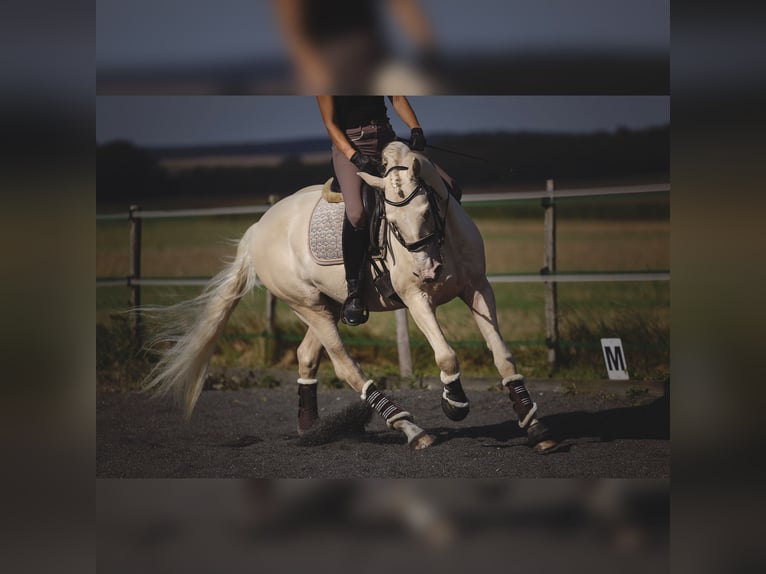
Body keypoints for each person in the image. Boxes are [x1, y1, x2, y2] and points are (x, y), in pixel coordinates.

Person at [317, 96, 427, 326]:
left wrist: (415, 128)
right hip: (350, 146)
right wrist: (354, 156)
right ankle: (355, 292)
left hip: (386, 140)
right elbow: (330, 124)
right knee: (357, 213)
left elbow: (396, 97)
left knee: (444, 184)